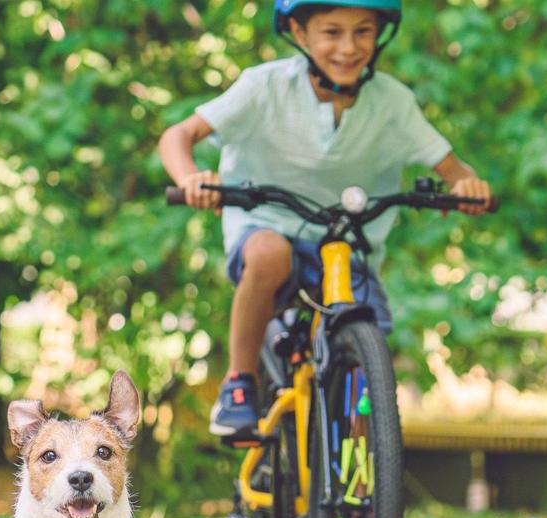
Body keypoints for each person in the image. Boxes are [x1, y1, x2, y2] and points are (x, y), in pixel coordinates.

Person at [159, 0, 491, 436]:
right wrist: (189, 178)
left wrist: (466, 186)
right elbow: (178, 135)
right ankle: (241, 381)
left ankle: (363, 477)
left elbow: (454, 171)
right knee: (269, 252)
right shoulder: (264, 86)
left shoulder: (392, 102)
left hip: (345, 241)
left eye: (364, 31)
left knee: (366, 361)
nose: (349, 47)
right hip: (268, 223)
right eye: (332, 32)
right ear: (300, 33)